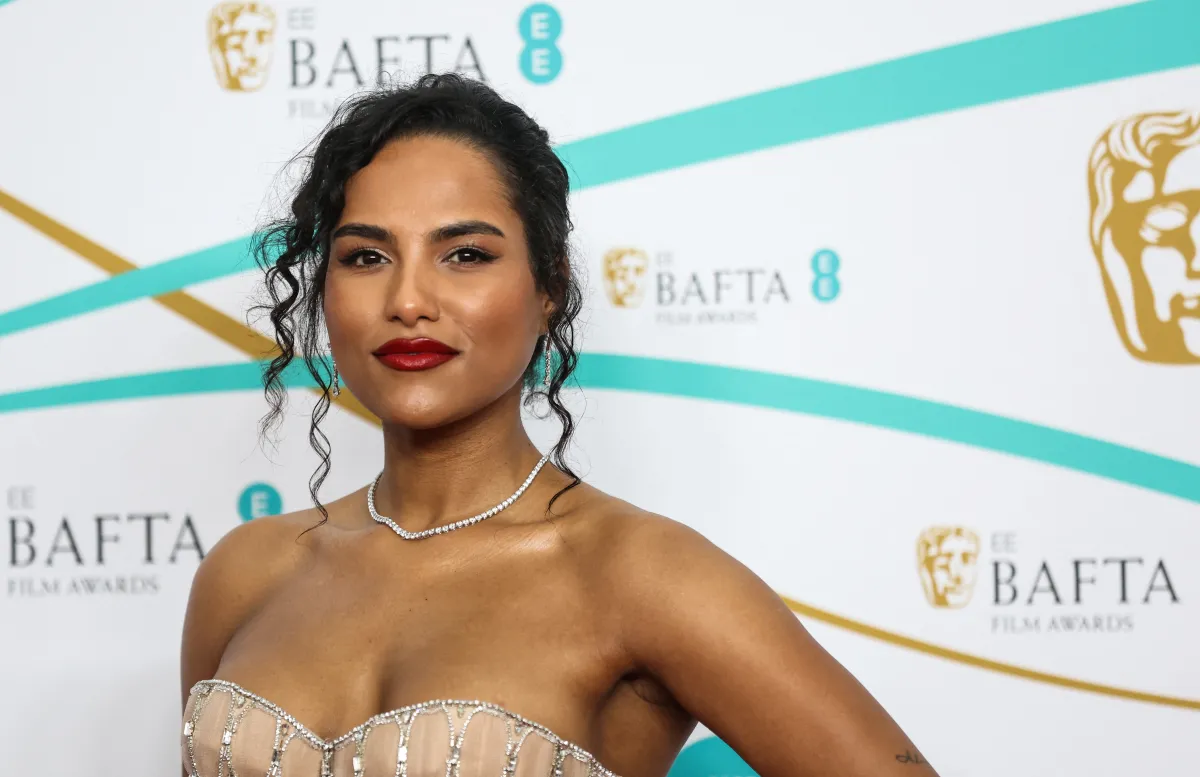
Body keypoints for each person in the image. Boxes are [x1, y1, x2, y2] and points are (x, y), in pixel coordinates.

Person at [179, 73, 939, 777]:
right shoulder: (246, 573)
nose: (408, 299)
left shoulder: (637, 573)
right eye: (367, 255)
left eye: (465, 253)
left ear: (549, 288)